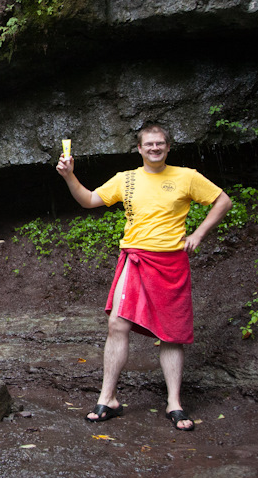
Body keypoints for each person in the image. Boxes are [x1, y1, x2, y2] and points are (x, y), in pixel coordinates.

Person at [55, 122, 232, 431]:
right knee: (116, 323)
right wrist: (69, 175)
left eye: (160, 143)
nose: (154, 148)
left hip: (171, 262)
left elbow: (223, 201)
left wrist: (200, 233)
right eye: (148, 144)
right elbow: (88, 200)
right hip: (135, 259)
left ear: (167, 147)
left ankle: (174, 403)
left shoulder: (186, 177)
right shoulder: (127, 179)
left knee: (171, 333)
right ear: (139, 149)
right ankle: (107, 398)